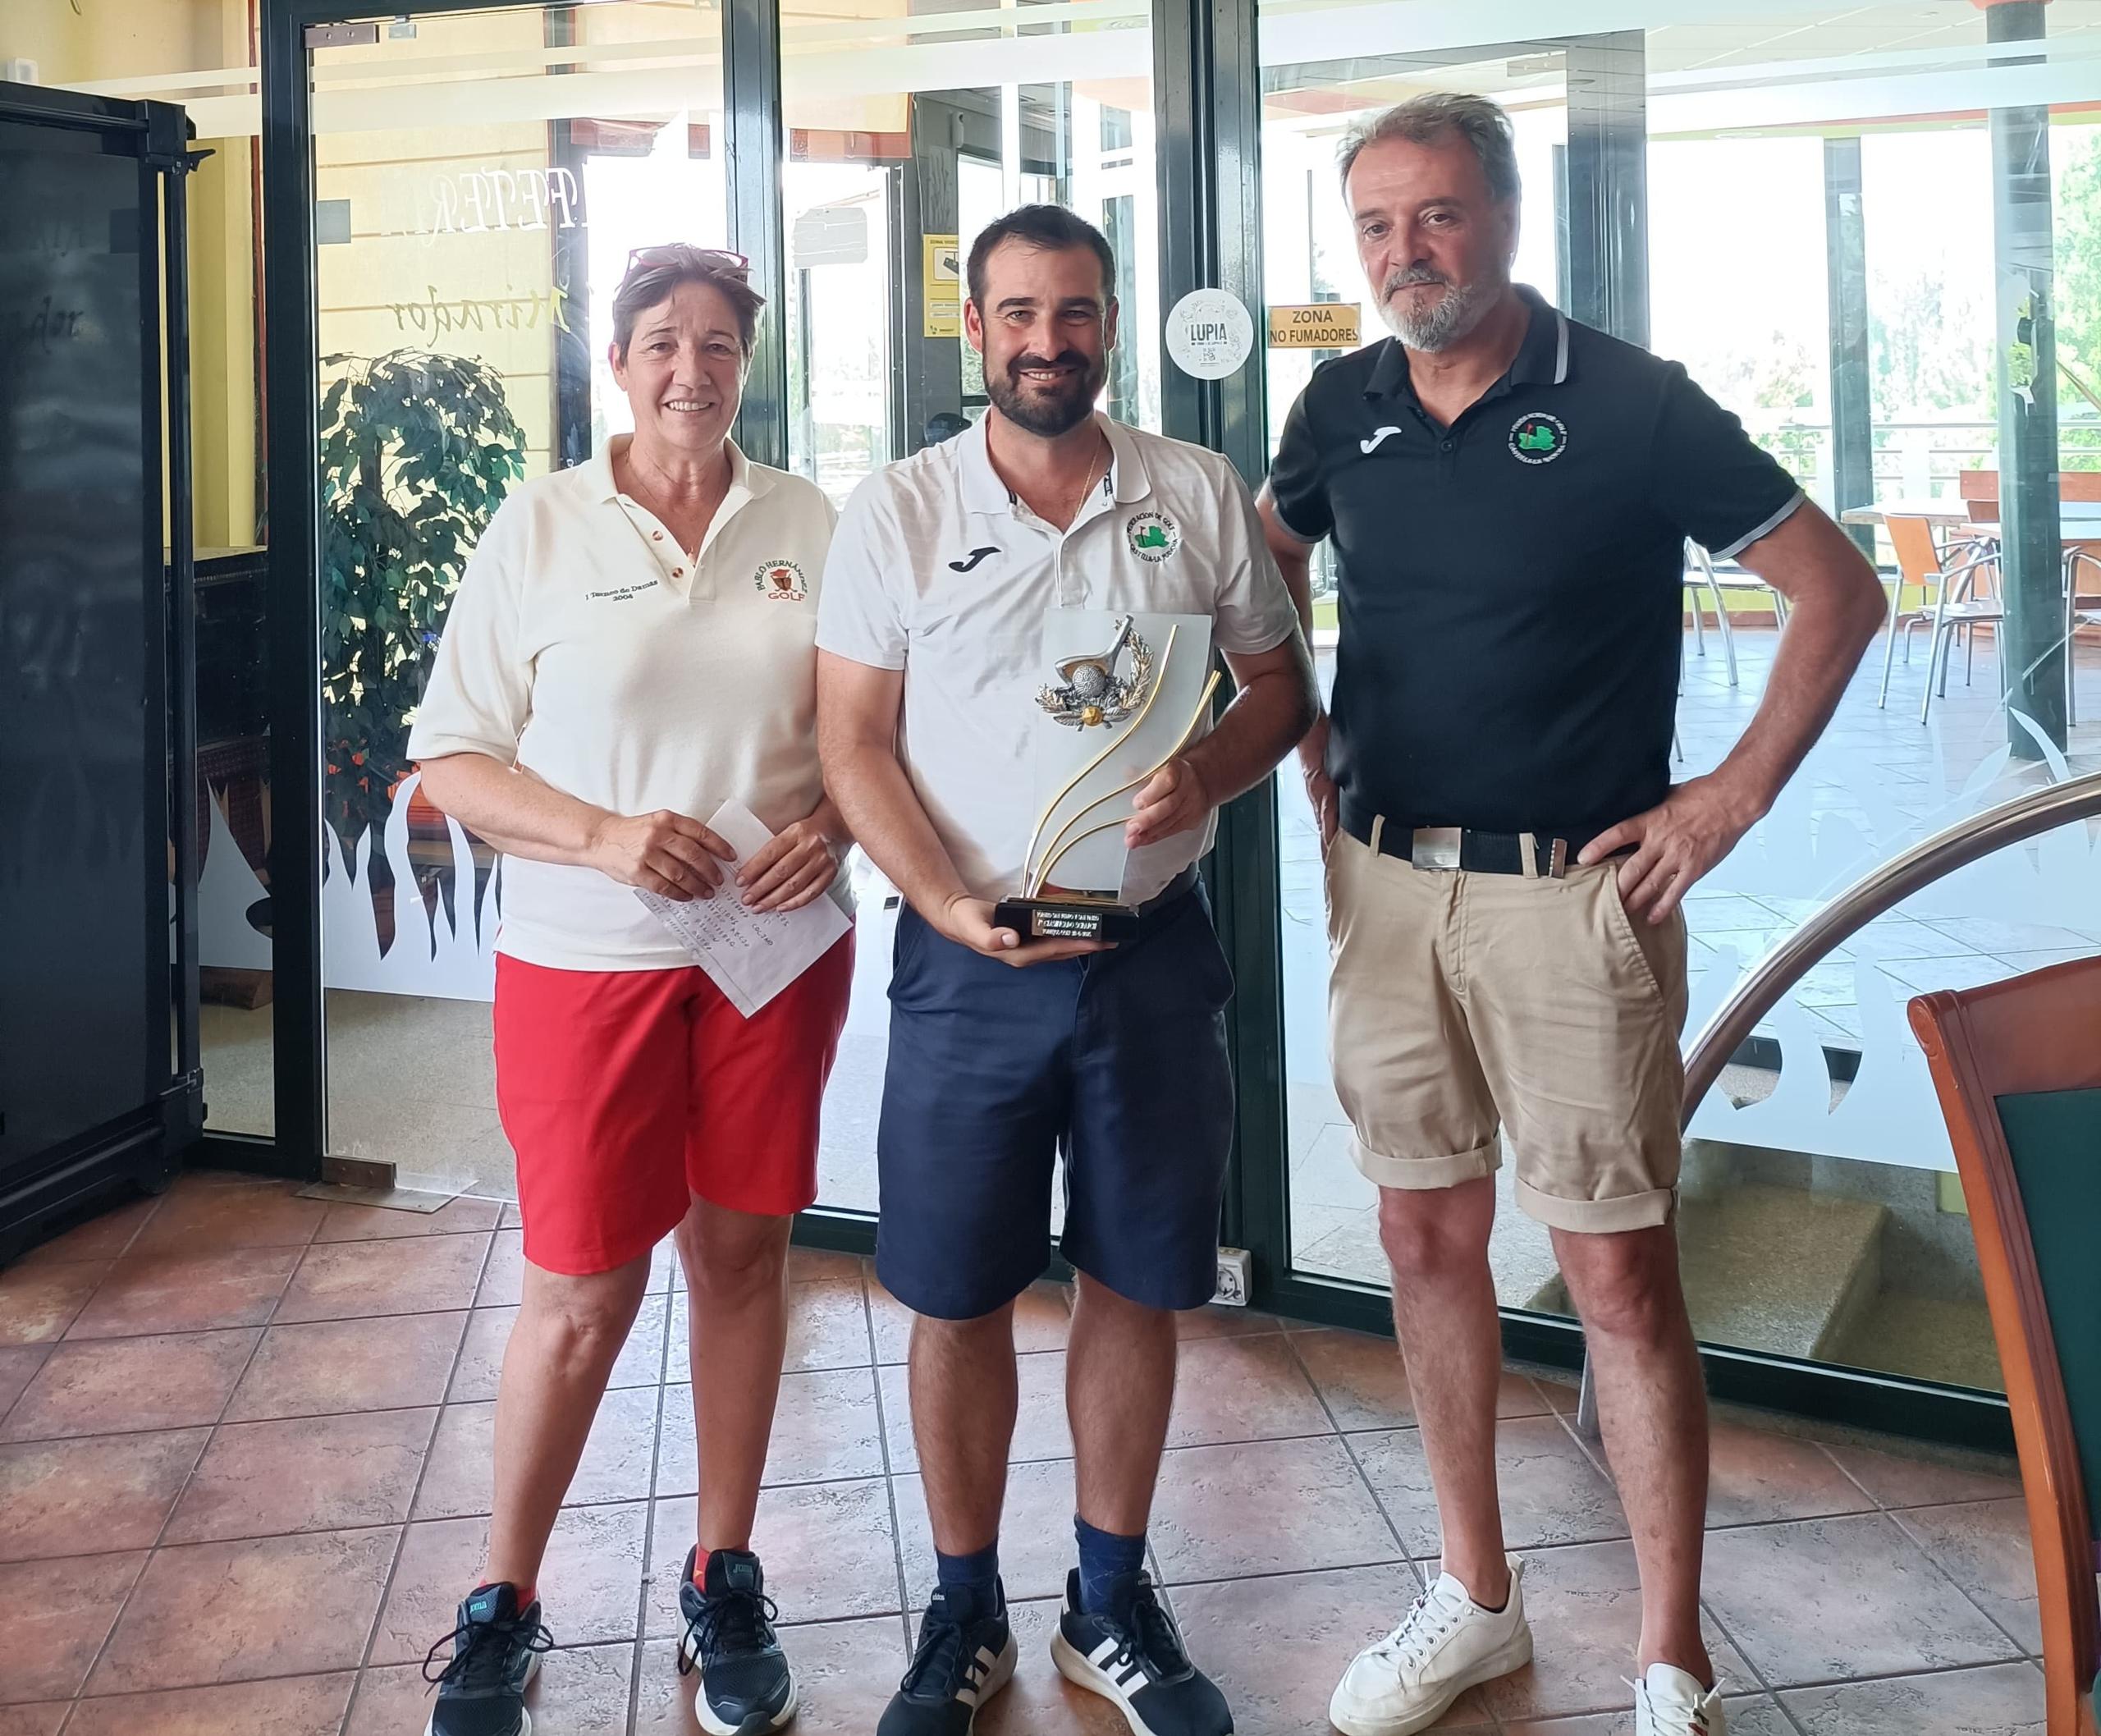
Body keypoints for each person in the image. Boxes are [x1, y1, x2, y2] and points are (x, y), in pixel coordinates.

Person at [1256, 96, 1887, 1736]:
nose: (1405, 251)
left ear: (1505, 216)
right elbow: (1260, 575)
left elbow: (1836, 588)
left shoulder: (1629, 402)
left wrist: (1728, 796)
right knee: (1420, 1238)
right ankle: (1473, 1596)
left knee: (1616, 1276)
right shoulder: (1337, 404)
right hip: (1386, 892)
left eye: (1436, 214)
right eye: (1376, 224)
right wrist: (1307, 736)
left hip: (1572, 903)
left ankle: (1669, 1659)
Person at [817, 204, 1317, 1736]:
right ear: (974, 330)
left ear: (1110, 321)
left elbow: (1280, 687)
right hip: (970, 961)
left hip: (1149, 957)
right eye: (1021, 314)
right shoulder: (900, 511)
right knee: (956, 1292)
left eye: (1078, 311)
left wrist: (1208, 772)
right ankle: (963, 1608)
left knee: (1136, 1279)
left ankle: (1108, 1600)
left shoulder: (1196, 490)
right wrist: (937, 899)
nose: (1050, 342)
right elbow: (852, 743)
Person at [409, 244, 856, 1736]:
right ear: (617, 364)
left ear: (747, 366)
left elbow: (869, 733)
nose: (691, 369)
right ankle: (503, 1599)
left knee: (742, 1258)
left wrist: (835, 827)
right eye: (662, 341)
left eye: (718, 344)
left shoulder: (808, 522)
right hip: (585, 962)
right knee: (580, 1291)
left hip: (769, 960)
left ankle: (724, 1575)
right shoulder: (539, 524)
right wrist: (604, 836)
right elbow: (453, 758)